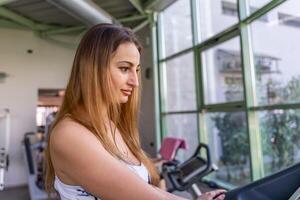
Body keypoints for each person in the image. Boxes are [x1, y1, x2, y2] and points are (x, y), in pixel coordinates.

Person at [44, 23, 226, 200]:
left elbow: (141, 188)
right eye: (124, 68)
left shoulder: (113, 127)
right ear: (92, 70)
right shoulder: (69, 134)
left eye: (136, 70)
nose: (135, 81)